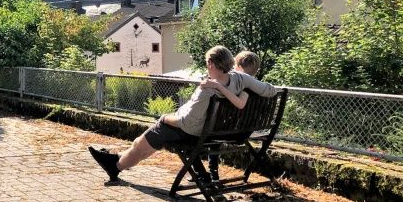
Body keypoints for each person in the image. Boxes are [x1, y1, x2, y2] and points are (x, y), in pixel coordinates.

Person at [88, 46, 277, 183]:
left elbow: (188, 122)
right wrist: (248, 92)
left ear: (211, 63)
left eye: (206, 63)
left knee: (154, 131)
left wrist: (165, 118)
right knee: (141, 141)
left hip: (193, 131)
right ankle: (117, 159)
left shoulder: (207, 89)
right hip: (216, 130)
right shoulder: (242, 79)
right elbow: (271, 91)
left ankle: (116, 166)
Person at [201, 50, 262, 182]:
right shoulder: (257, 87)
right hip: (246, 130)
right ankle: (210, 174)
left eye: (234, 66)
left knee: (202, 137)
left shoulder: (244, 88)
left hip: (233, 131)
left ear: (238, 67)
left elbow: (240, 104)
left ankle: (211, 175)